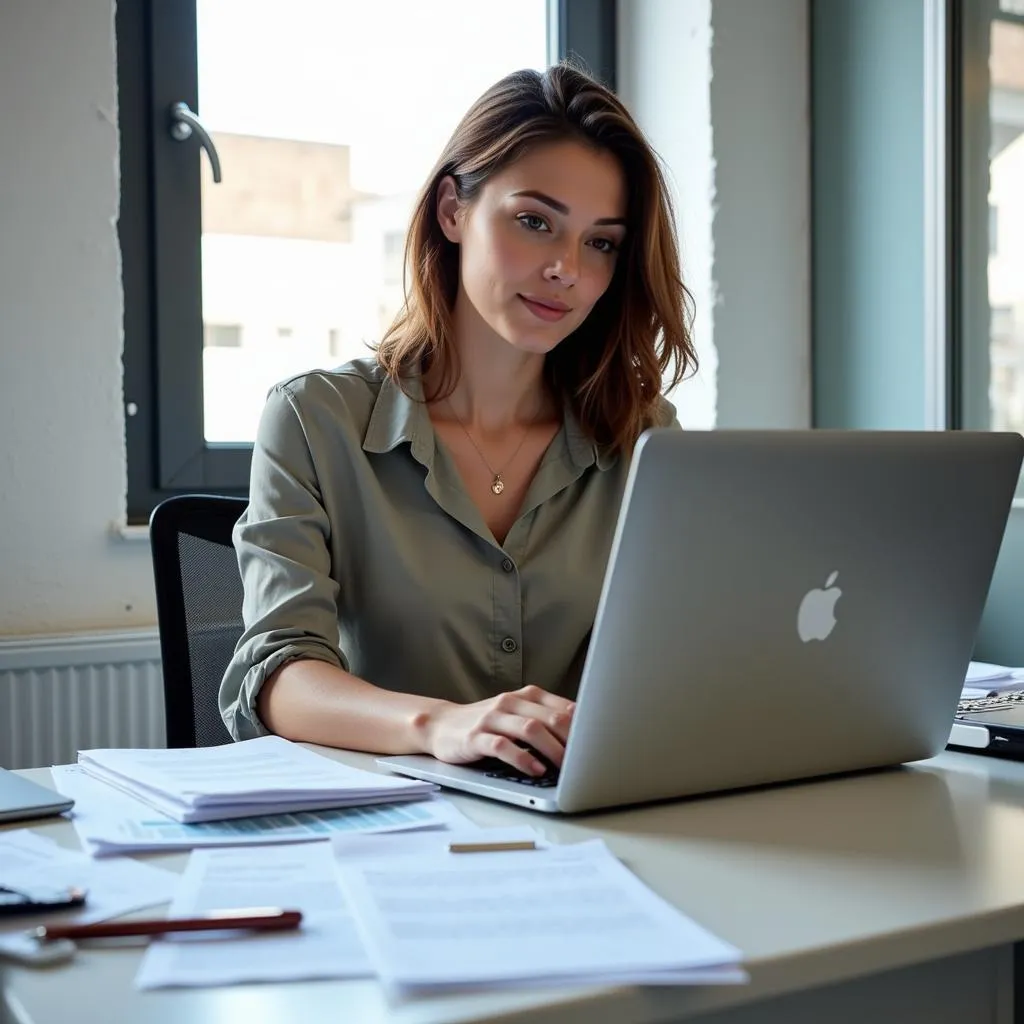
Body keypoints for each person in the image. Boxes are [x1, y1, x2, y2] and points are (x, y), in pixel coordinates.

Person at [219, 61, 697, 778]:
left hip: (585, 832)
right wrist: (442, 725)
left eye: (600, 242)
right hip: (383, 831)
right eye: (535, 221)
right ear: (453, 211)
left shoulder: (643, 438)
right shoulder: (315, 419)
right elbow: (275, 675)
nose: (567, 268)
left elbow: (676, 663)